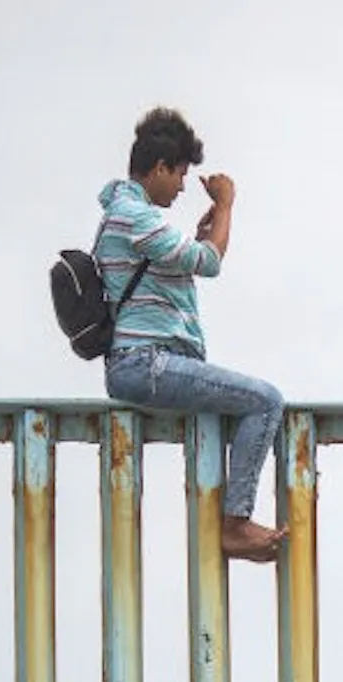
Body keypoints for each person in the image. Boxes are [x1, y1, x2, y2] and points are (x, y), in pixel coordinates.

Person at [98, 108, 286, 562]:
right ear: (160, 168)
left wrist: (202, 237)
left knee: (242, 406)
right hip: (143, 362)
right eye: (180, 174)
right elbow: (210, 262)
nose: (183, 186)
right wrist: (225, 205)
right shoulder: (133, 215)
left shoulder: (130, 216)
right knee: (265, 401)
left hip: (147, 360)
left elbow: (184, 263)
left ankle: (231, 518)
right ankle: (235, 523)